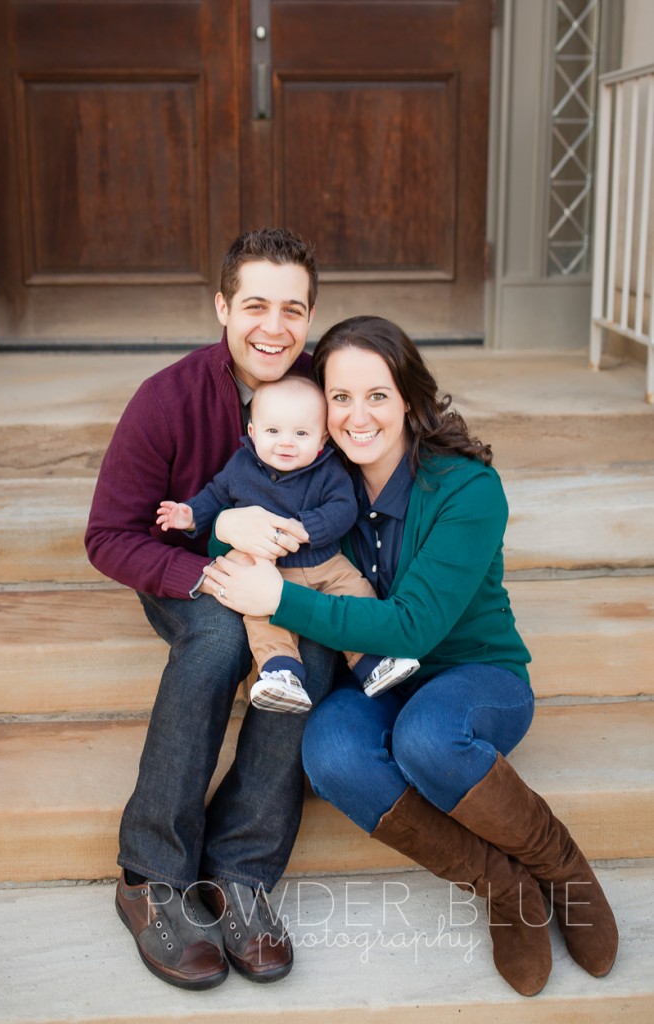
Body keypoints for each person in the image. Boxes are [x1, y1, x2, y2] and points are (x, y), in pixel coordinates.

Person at [203, 315, 619, 998]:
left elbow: (414, 626)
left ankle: (562, 868)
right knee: (330, 751)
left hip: (474, 675)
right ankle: (503, 886)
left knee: (428, 737)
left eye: (377, 395)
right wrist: (223, 529)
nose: (357, 415)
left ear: (410, 397)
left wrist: (276, 597)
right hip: (374, 683)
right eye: (339, 397)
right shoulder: (309, 473)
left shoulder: (467, 490)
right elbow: (240, 532)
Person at [85, 228, 341, 991]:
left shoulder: (323, 392)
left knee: (314, 640)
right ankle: (150, 873)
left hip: (296, 573)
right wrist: (214, 546)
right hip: (188, 573)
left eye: (292, 309)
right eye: (255, 304)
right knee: (220, 638)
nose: (273, 326)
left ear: (310, 317)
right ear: (222, 306)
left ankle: (240, 871)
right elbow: (107, 536)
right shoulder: (166, 399)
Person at [156, 373, 419, 712]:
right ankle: (281, 673)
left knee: (356, 591)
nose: (286, 443)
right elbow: (215, 494)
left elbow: (344, 508)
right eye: (272, 431)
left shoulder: (328, 471)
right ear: (253, 432)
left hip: (327, 564)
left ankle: (372, 663)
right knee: (262, 619)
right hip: (268, 570)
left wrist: (307, 527)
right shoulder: (241, 466)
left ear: (322, 438)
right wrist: (190, 515)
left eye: (301, 433)